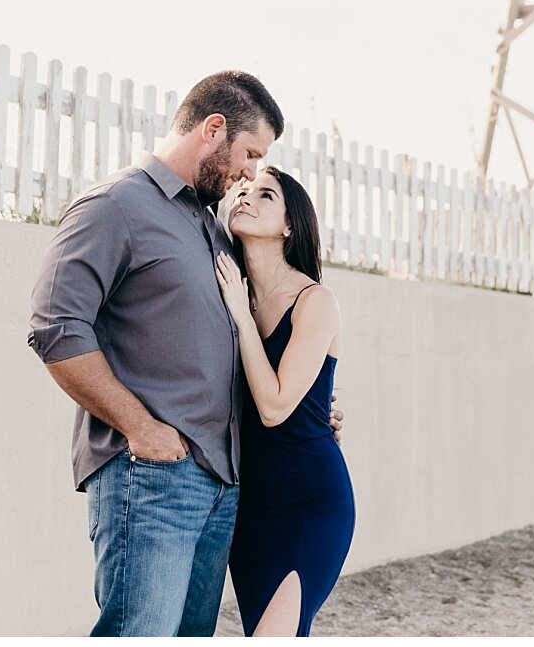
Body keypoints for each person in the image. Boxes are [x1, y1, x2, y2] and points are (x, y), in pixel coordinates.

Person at [28, 71, 335, 636]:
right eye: (250, 154)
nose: (250, 173)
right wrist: (139, 427)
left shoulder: (213, 230)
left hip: (222, 487)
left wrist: (310, 413)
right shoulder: (116, 206)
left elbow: (219, 356)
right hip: (150, 478)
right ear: (213, 129)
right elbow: (55, 327)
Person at [214, 167, 354, 637]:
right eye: (243, 191)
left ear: (290, 224)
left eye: (265, 195)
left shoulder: (315, 300)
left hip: (309, 502)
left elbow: (274, 408)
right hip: (249, 508)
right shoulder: (227, 288)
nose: (246, 198)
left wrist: (240, 313)